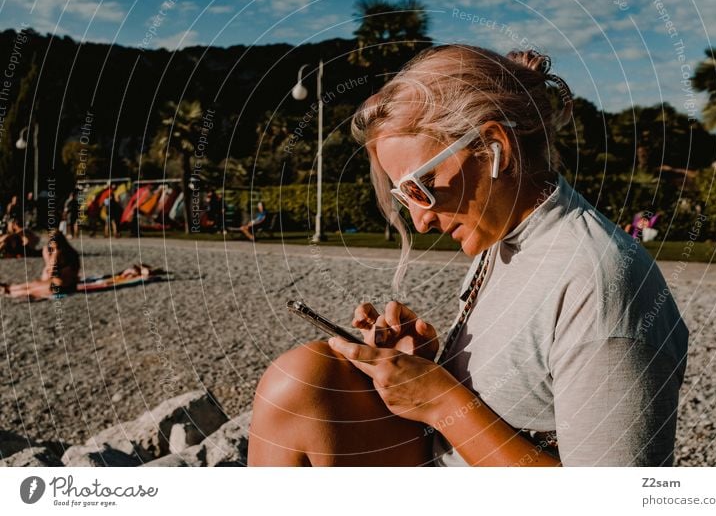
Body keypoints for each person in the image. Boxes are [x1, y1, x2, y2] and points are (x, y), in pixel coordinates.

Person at [247, 45, 689, 467]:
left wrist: (441, 401)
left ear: (494, 147)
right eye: (403, 198)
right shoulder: (506, 242)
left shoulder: (601, 287)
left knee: (298, 380)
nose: (420, 221)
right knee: (305, 378)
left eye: (420, 187)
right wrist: (422, 368)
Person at [0, 231, 80, 300]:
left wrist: (47, 259)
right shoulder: (72, 252)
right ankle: (9, 288)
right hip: (71, 285)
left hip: (59, 286)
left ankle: (9, 290)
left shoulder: (57, 254)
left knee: (30, 290)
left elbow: (51, 273)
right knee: (33, 285)